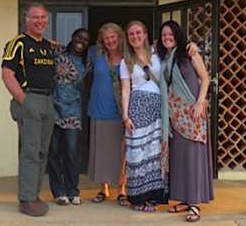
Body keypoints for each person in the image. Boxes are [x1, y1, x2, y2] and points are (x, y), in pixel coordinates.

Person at [157, 20, 214, 222]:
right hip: (176, 116)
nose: (167, 38)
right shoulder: (164, 59)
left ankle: (195, 203)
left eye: (170, 34)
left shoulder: (190, 53)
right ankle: (182, 198)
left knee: (193, 158)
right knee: (179, 159)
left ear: (178, 35)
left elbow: (205, 78)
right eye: (163, 35)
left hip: (193, 112)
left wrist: (200, 103)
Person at [1, 3, 54, 216]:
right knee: (31, 152)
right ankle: (26, 199)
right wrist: (24, 100)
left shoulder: (48, 46)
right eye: (35, 17)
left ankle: (34, 193)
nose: (40, 21)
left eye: (43, 17)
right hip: (30, 99)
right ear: (26, 20)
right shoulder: (18, 43)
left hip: (48, 101)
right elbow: (7, 74)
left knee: (42, 152)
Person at [120, 20, 169, 212]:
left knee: (155, 154)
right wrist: (125, 116)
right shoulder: (126, 62)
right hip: (137, 108)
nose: (135, 37)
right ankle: (138, 197)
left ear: (145, 34)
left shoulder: (158, 54)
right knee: (137, 154)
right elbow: (125, 89)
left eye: (138, 32)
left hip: (158, 107)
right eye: (131, 34)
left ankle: (154, 198)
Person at [48, 28, 91, 206]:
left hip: (72, 111)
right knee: (54, 152)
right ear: (72, 37)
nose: (81, 41)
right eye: (79, 37)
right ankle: (59, 192)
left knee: (72, 153)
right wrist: (48, 42)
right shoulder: (57, 52)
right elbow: (38, 48)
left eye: (85, 40)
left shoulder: (87, 62)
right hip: (52, 107)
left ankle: (73, 191)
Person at [87, 22, 129, 207]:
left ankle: (122, 189)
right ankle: (103, 188)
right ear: (102, 40)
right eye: (106, 38)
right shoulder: (95, 54)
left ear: (120, 37)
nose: (110, 40)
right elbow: (72, 49)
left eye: (113, 37)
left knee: (121, 153)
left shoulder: (129, 56)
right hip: (98, 109)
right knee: (101, 152)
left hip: (121, 112)